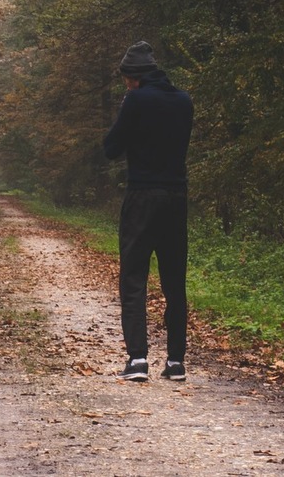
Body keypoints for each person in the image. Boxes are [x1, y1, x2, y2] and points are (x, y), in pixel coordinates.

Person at [103, 41, 193, 382]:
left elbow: (112, 147)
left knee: (134, 278)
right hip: (176, 196)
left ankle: (138, 359)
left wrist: (129, 112)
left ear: (134, 77)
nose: (125, 85)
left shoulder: (136, 100)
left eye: (126, 80)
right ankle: (175, 362)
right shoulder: (184, 101)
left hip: (141, 196)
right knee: (174, 280)